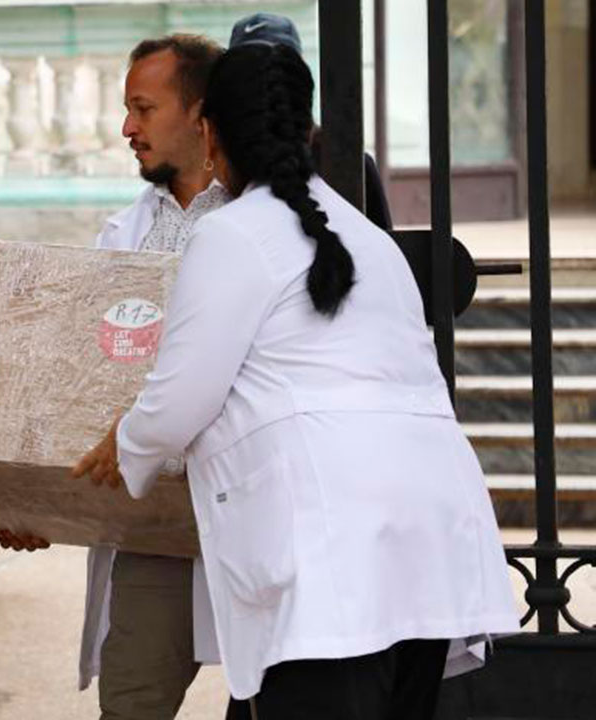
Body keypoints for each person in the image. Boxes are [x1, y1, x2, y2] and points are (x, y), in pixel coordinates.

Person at [75, 41, 519, 719]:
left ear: (211, 132)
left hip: (333, 564)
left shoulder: (231, 237)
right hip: (431, 548)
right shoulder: (367, 238)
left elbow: (177, 402)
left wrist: (120, 448)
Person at [0, 34, 252, 720]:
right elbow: (77, 385)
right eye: (125, 109)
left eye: (142, 108)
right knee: (132, 703)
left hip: (261, 518)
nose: (126, 128)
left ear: (200, 116)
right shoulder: (122, 237)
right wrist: (36, 500)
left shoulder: (263, 224)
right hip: (152, 524)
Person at [229, 12, 393, 233]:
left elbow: (379, 244)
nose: (266, 77)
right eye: (250, 68)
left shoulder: (347, 164)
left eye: (279, 65)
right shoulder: (221, 162)